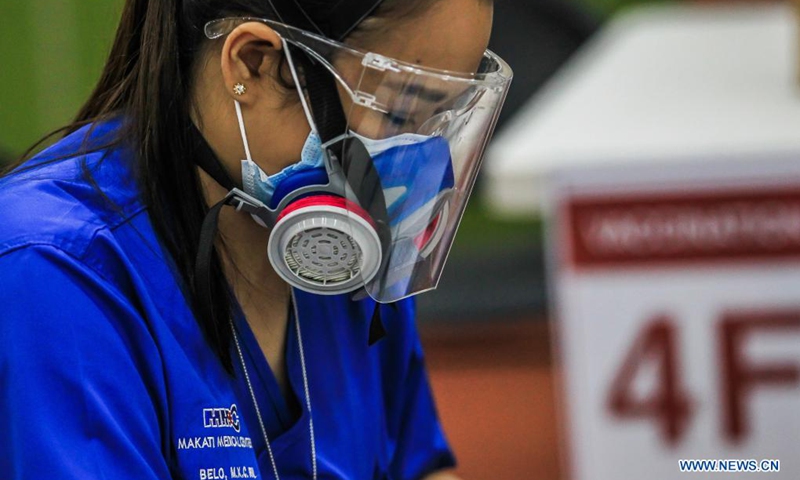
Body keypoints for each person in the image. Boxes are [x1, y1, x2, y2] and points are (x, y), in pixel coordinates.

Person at [0, 0, 511, 478]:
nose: (424, 160)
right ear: (252, 64)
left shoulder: (352, 251)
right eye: (402, 113)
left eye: (442, 119)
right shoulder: (54, 273)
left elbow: (420, 467)